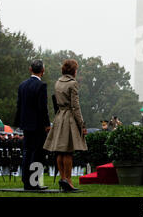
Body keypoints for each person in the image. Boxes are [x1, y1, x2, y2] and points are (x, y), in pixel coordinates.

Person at [43, 59, 87, 192]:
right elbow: (75, 106)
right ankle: (68, 180)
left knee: (59, 152)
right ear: (73, 70)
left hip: (59, 116)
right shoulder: (73, 84)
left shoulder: (57, 83)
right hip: (69, 118)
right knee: (68, 152)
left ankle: (63, 178)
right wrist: (82, 124)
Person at [14, 59, 51, 191]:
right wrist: (47, 124)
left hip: (25, 124)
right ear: (43, 71)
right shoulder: (41, 86)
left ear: (30, 69)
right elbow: (43, 108)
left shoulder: (22, 85)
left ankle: (26, 181)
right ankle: (34, 182)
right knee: (38, 153)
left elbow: (19, 105)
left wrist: (18, 122)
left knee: (27, 152)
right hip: (38, 125)